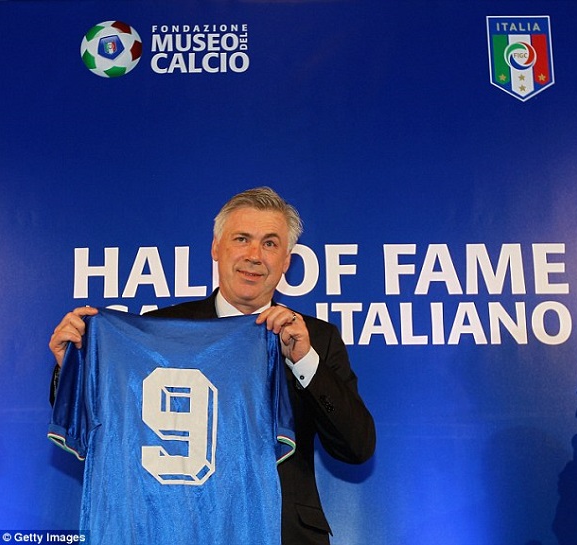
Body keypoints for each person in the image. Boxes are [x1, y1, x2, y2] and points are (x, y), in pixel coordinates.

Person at [49, 186, 376, 545]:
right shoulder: (160, 329)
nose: (254, 256)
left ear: (286, 261)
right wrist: (72, 367)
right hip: (177, 531)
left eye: (270, 243)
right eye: (242, 239)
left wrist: (305, 362)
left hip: (284, 533)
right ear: (216, 248)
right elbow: (104, 426)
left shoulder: (315, 338)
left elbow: (356, 447)